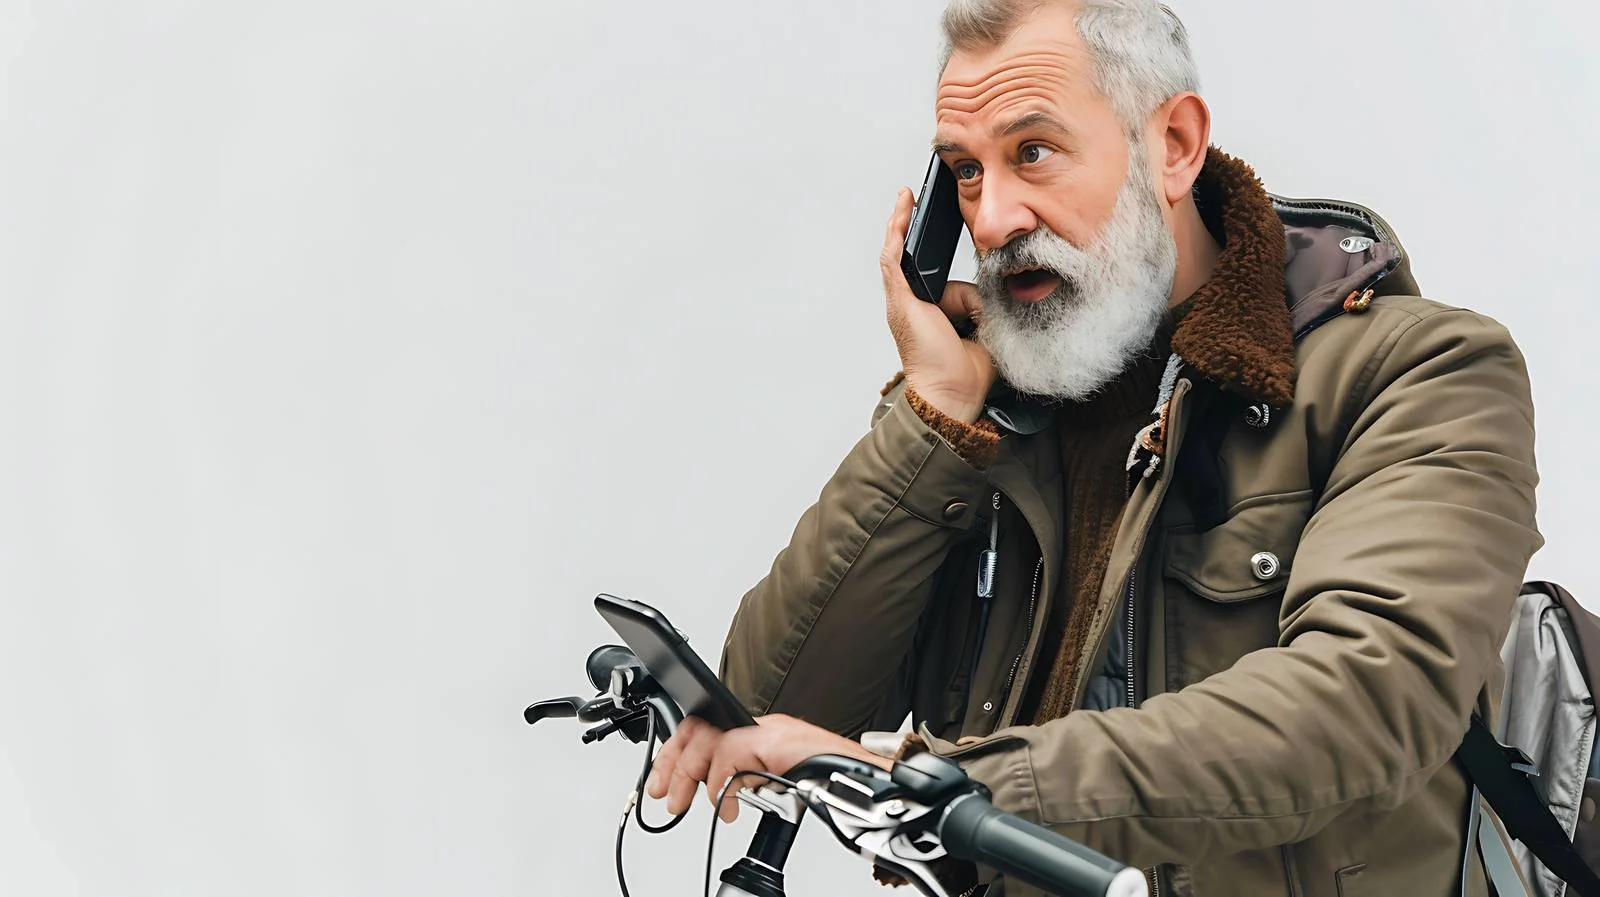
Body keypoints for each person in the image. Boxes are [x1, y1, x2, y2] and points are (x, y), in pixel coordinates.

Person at [645, 1, 1541, 895]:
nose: (991, 219)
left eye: (1031, 151)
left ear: (1176, 146)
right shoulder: (989, 410)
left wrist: (958, 790)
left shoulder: (1421, 369)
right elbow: (772, 716)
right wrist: (933, 423)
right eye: (964, 170)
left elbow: (1366, 703)